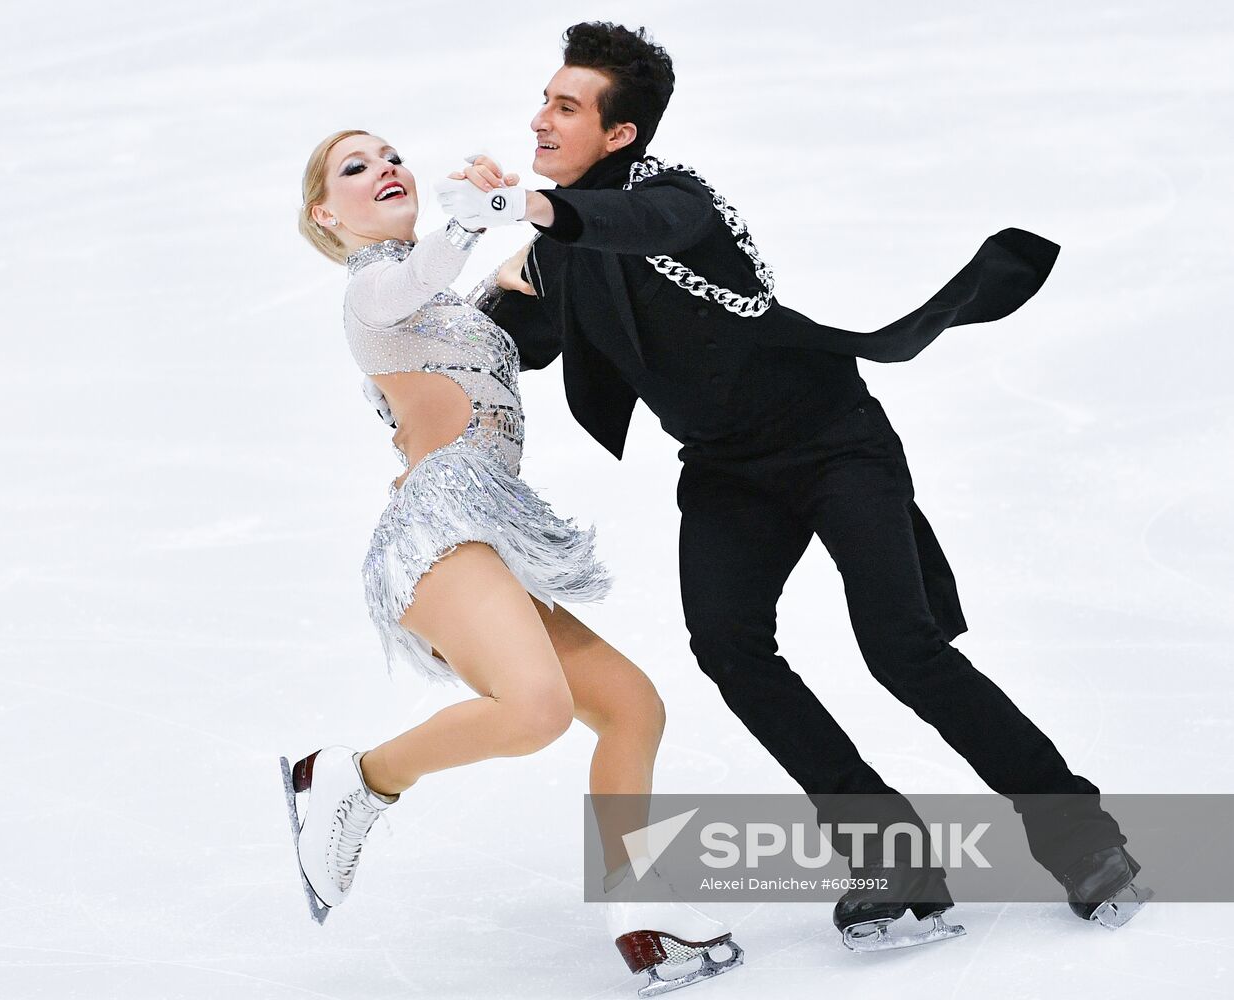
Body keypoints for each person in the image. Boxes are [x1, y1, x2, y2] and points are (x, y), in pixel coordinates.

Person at [436, 20, 1153, 950]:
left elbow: (635, 226)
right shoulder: (552, 251)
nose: (540, 119)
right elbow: (498, 349)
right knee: (729, 645)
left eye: (565, 107)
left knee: (903, 648)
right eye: (544, 98)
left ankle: (1082, 840)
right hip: (727, 470)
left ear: (620, 135)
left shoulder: (674, 199)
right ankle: (892, 861)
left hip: (831, 443)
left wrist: (534, 214)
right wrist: (426, 308)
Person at [284, 128, 745, 994]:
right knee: (533, 711)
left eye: (390, 155)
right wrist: (465, 229)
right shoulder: (371, 293)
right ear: (324, 212)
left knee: (630, 709)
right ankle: (354, 778)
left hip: (486, 536)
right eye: (355, 167)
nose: (384, 167)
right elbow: (412, 281)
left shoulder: (437, 300)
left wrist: (527, 239)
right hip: (436, 533)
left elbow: (477, 313)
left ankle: (638, 914)